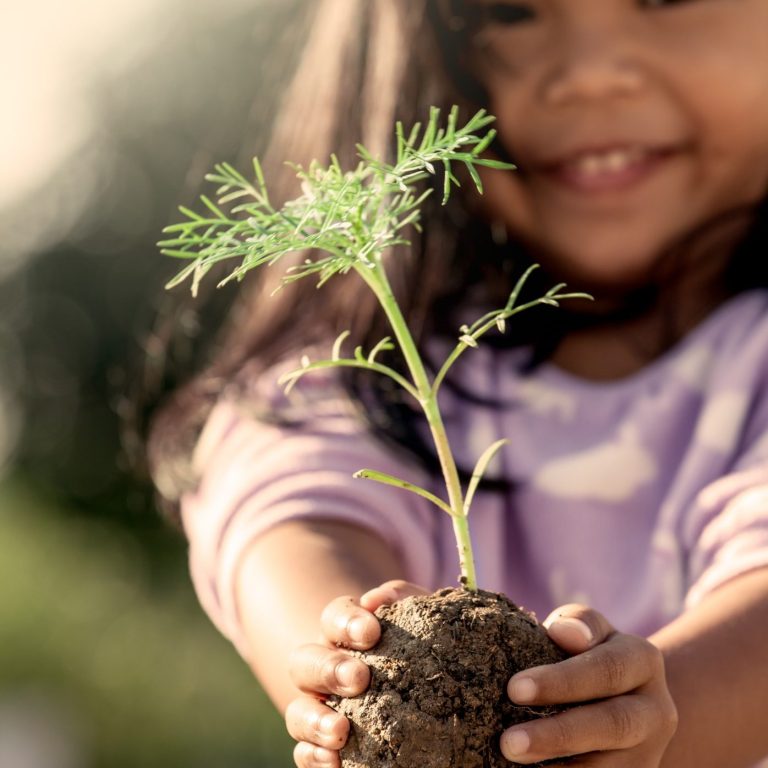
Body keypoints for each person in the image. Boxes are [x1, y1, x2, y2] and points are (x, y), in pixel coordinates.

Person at [147, 0, 768, 766]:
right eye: (509, 11)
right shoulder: (363, 369)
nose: (589, 75)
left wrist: (632, 721)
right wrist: (351, 666)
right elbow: (289, 507)